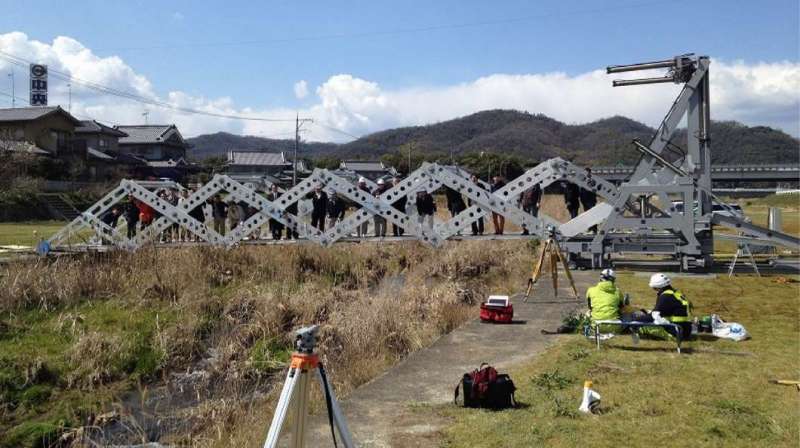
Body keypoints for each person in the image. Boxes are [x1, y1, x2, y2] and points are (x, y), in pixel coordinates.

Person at [648, 273, 693, 339]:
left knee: (641, 327)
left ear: (659, 287)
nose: (654, 290)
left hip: (676, 331)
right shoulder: (676, 293)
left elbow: (654, 316)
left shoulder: (666, 297)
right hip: (686, 330)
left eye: (654, 288)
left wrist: (635, 320)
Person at [579, 168, 598, 232]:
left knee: (592, 214)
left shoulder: (593, 180)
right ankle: (590, 227)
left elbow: (594, 188)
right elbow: (581, 189)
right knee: (587, 214)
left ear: (590, 172)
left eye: (587, 172)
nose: (586, 174)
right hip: (584, 199)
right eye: (585, 172)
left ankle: (594, 228)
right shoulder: (582, 179)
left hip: (591, 199)